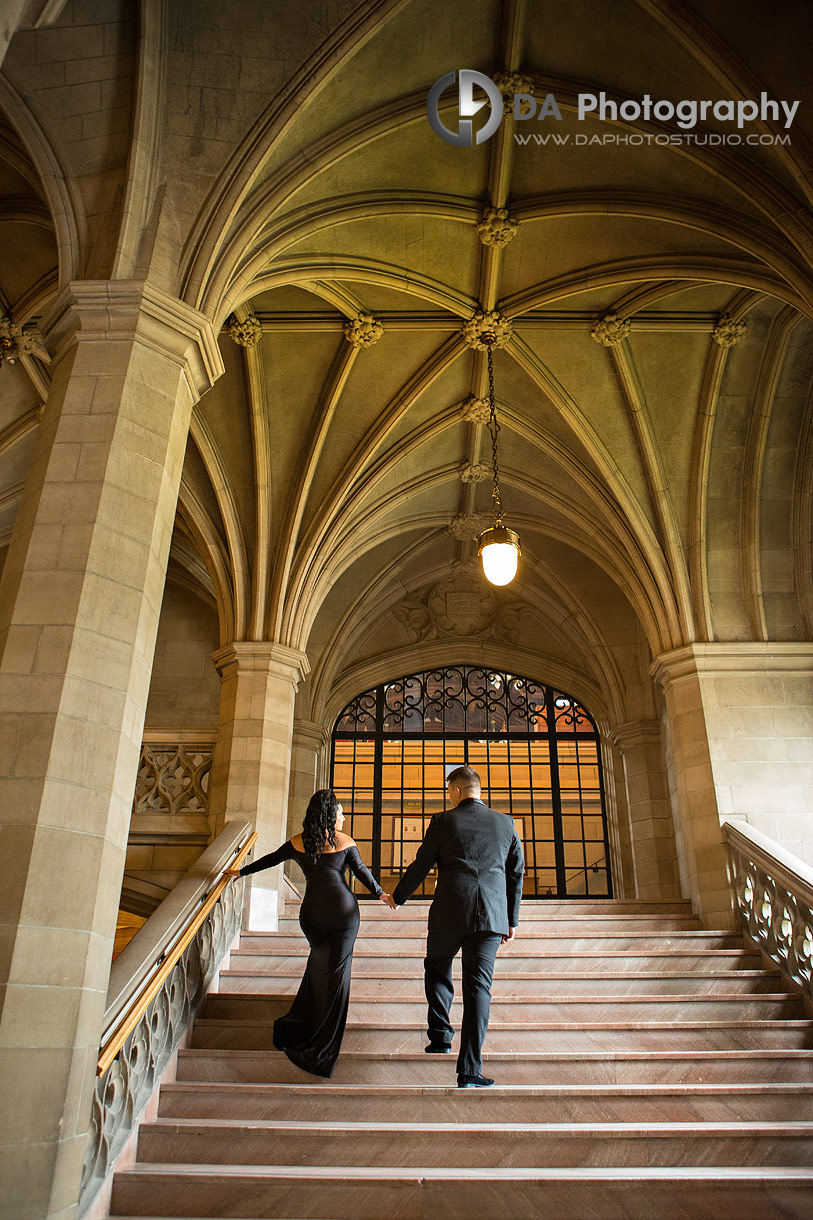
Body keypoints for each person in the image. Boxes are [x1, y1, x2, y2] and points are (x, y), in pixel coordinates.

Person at [224, 788, 395, 1078]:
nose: (343, 817)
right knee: (337, 979)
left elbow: (270, 859)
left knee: (318, 973)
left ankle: (306, 1029)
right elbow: (361, 872)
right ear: (331, 814)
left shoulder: (298, 842)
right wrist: (381, 894)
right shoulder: (344, 841)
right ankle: (323, 1045)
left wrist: (241, 872)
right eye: (340, 812)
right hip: (342, 915)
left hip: (312, 916)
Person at [391, 765, 524, 1088]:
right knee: (479, 989)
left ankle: (439, 1037)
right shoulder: (505, 823)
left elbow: (422, 863)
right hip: (491, 914)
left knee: (437, 969)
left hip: (449, 911)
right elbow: (516, 872)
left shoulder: (442, 821)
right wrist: (512, 919)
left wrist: (398, 896)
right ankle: (469, 1070)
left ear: (455, 791)